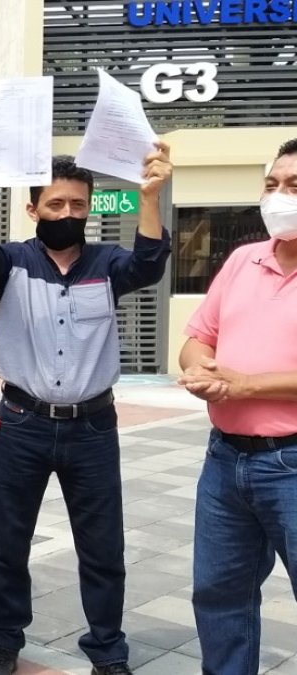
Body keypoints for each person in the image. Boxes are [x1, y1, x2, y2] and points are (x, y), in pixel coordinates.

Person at [0, 128, 173, 675]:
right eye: (55, 204)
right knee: (7, 543)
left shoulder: (107, 264)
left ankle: (108, 650)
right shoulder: (11, 263)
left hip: (92, 428)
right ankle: (3, 643)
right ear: (33, 210)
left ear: (89, 208)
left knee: (102, 548)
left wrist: (149, 196)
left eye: (78, 204)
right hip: (21, 423)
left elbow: (149, 263)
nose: (67, 213)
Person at [177, 139, 297, 675]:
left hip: (291, 464)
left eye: (294, 186)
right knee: (218, 594)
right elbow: (198, 337)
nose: (279, 196)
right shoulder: (243, 259)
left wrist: (247, 387)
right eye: (272, 185)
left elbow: (244, 382)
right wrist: (200, 371)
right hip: (225, 461)